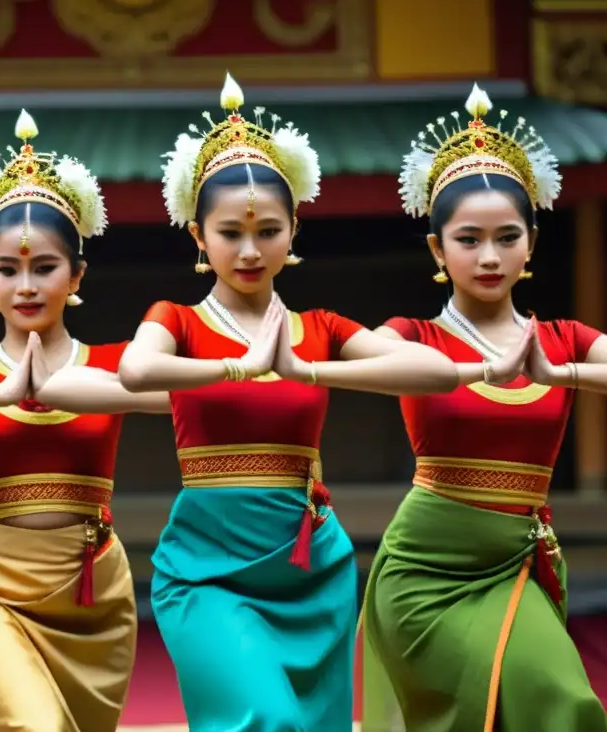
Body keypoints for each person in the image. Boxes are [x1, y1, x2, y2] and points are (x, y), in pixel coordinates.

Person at [115, 73, 466, 732]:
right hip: (205, 568)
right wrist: (238, 365)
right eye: (229, 233)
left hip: (308, 566)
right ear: (198, 235)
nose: (250, 250)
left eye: (268, 231)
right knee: (265, 716)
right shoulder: (177, 320)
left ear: (293, 230)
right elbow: (136, 370)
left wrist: (306, 369)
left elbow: (437, 371)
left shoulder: (320, 329)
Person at [360, 83, 607, 731]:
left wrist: (562, 371)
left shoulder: (565, 341)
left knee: (562, 704)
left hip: (518, 563)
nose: (489, 256)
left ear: (531, 242)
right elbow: (355, 363)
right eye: (468, 239)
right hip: (427, 573)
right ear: (438, 249)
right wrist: (479, 367)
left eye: (507, 237)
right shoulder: (412, 336)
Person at [0, 110, 165, 732]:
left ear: (76, 276)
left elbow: (184, 403)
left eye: (44, 267)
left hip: (91, 590)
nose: (25, 286)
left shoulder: (118, 363)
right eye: (7, 269)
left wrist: (85, 388)